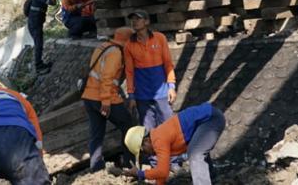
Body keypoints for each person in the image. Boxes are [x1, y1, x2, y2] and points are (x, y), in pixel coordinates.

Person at [115, 103, 226, 185]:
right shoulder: (157, 138)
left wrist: (140, 174)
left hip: (211, 119)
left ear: (146, 141)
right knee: (197, 147)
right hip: (206, 119)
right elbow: (162, 173)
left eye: (143, 151)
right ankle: (211, 177)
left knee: (195, 154)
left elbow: (162, 172)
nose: (146, 155)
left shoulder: (159, 140)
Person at [81, 27, 135, 172]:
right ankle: (129, 163)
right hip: (104, 99)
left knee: (96, 133)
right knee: (128, 125)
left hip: (89, 97)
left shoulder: (103, 46)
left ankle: (96, 166)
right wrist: (105, 101)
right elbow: (107, 78)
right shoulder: (116, 53)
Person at [124, 10, 177, 129]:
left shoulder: (160, 38)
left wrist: (171, 87)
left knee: (169, 126)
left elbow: (168, 64)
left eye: (138, 19)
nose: (134, 21)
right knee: (148, 130)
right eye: (132, 19)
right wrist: (131, 95)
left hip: (162, 93)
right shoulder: (129, 45)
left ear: (146, 21)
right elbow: (129, 72)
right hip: (142, 95)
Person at [24, 0, 54, 73]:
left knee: (39, 44)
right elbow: (53, 2)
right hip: (34, 24)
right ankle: (38, 67)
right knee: (38, 44)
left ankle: (40, 64)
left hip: (36, 24)